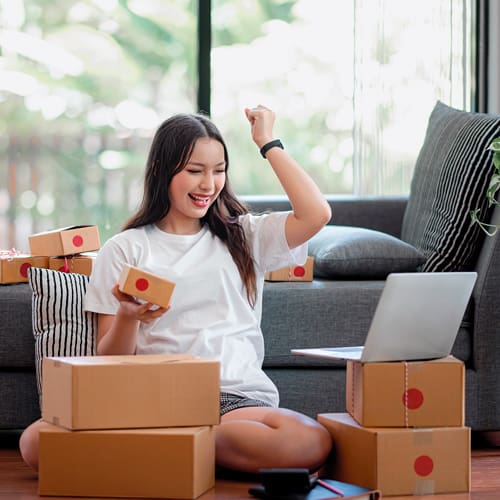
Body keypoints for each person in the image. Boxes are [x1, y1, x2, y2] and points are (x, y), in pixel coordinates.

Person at [19, 105, 333, 474]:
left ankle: (165, 448)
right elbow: (109, 358)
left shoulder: (245, 237)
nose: (208, 184)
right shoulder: (125, 248)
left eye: (219, 171)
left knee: (309, 440)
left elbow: (317, 213)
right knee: (34, 442)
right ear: (161, 171)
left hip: (232, 401)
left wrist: (268, 142)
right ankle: (181, 451)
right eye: (194, 171)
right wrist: (127, 316)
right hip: (151, 400)